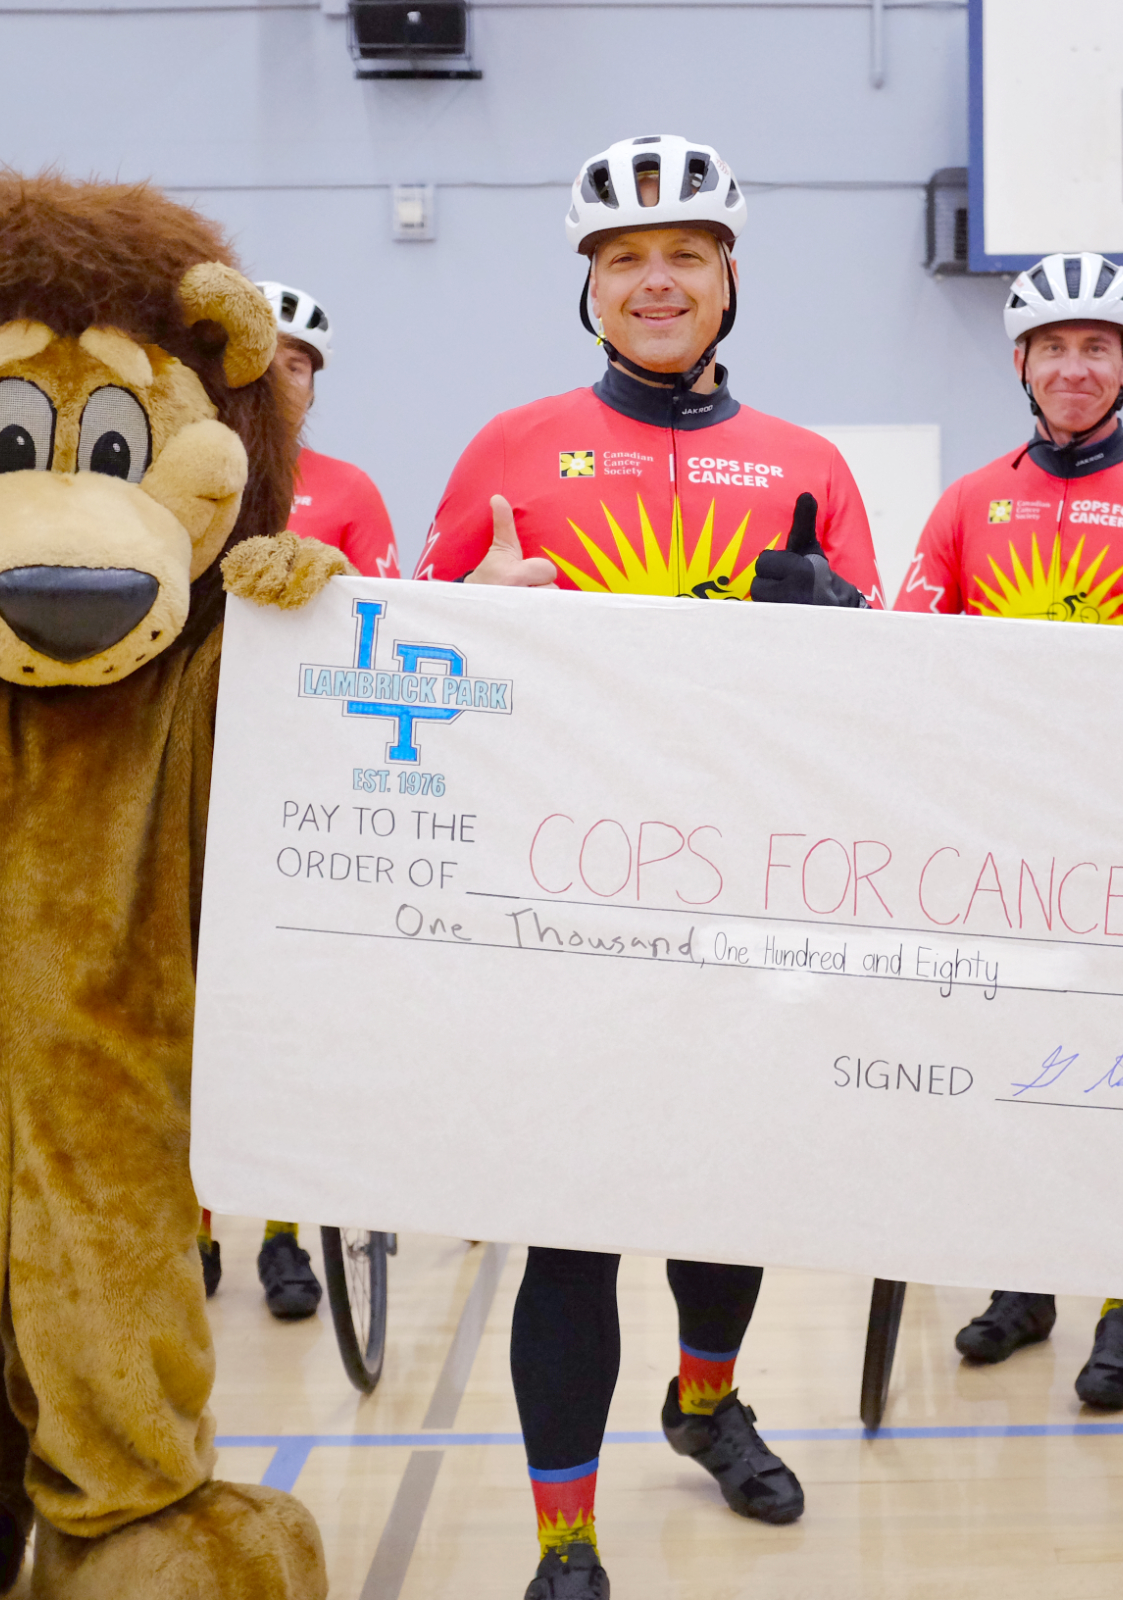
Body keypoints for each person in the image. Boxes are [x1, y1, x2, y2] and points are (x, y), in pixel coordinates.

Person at [414, 133, 877, 1600]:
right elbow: (397, 685)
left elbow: (894, 708)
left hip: (744, 900)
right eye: (626, 259)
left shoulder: (809, 464)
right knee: (571, 1239)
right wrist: (457, 613)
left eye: (685, 253)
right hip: (559, 906)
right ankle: (565, 1538)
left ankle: (702, 1403)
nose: (656, 279)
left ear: (731, 277)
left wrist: (845, 611)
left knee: (730, 1204)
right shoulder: (508, 447)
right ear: (590, 289)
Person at [895, 250, 1123, 1410]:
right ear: (1023, 364)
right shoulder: (966, 502)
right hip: (999, 846)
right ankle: (1025, 1284)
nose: (1075, 367)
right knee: (1008, 1078)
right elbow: (910, 659)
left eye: (1097, 346)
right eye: (1054, 347)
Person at [189, 278, 396, 1323]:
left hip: (302, 794)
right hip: (189, 783)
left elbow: (385, 643)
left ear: (316, 383)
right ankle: (190, 1226)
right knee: (187, 1022)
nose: (280, 377)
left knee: (281, 1028)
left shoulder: (351, 490)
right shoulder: (173, 481)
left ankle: (280, 1235)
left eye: (299, 362)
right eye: (264, 359)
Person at [262, 279, 402, 579]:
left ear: (312, 390)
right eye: (264, 364)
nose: (278, 384)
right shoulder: (187, 476)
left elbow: (382, 615)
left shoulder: (351, 489)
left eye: (295, 367)